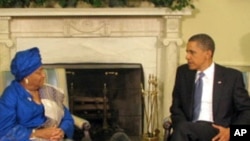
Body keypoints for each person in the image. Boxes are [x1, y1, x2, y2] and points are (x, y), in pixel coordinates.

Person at [169, 33, 250, 141]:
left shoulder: (231, 77)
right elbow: (176, 107)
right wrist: (181, 125)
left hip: (217, 129)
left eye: (192, 52)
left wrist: (232, 132)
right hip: (188, 129)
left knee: (182, 131)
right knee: (182, 129)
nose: (187, 56)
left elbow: (246, 110)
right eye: (187, 52)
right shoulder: (183, 73)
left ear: (208, 54)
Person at [0, 47, 74, 141]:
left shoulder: (49, 91)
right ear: (26, 77)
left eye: (42, 70)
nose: (43, 75)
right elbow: (5, 130)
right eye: (39, 72)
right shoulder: (11, 95)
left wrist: (60, 131)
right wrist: (37, 133)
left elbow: (67, 118)